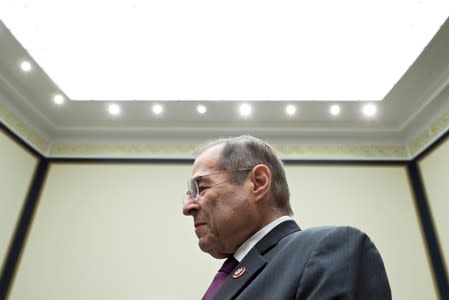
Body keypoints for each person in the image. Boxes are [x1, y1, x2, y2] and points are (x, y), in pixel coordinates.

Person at [182, 135, 391, 300]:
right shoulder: (233, 273)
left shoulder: (333, 248)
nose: (187, 207)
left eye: (202, 187)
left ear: (258, 182)